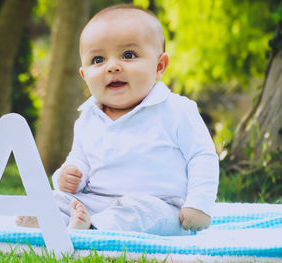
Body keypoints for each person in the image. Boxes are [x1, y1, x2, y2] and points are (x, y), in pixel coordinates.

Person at [17, 4, 219, 235]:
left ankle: (92, 229)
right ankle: (49, 220)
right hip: (96, 202)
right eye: (98, 59)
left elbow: (201, 157)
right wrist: (68, 176)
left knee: (142, 211)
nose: (112, 67)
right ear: (84, 75)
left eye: (128, 55)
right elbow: (80, 160)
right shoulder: (87, 119)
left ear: (159, 66)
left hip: (161, 206)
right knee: (55, 198)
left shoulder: (176, 110)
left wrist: (198, 205)